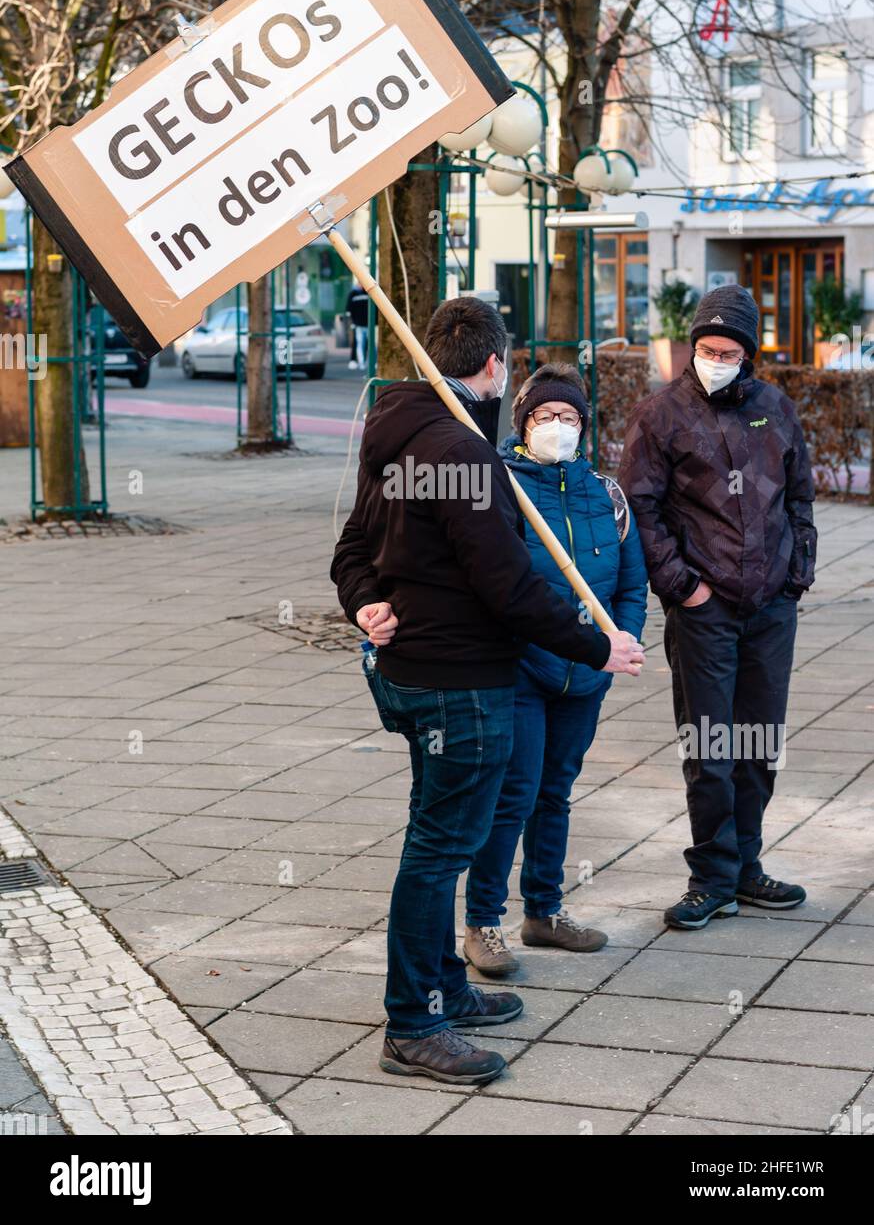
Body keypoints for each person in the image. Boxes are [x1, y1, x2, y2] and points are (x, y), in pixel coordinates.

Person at [331, 297, 645, 1086]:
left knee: (441, 838)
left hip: (411, 673)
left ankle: (443, 986)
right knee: (438, 854)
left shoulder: (395, 434)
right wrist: (595, 644)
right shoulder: (464, 453)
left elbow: (353, 547)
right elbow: (506, 588)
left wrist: (364, 596)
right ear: (496, 367)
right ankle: (413, 1022)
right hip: (459, 683)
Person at [619, 284, 816, 931]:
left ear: (748, 355)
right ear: (692, 345)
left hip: (770, 608)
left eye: (730, 350)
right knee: (710, 746)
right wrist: (683, 587)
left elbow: (800, 497)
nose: (716, 358)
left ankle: (746, 867)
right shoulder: (660, 416)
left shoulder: (775, 409)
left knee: (758, 743)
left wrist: (795, 576)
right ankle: (711, 877)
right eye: (707, 348)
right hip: (703, 611)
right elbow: (640, 509)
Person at [464, 364, 648, 975]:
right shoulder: (504, 486)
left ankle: (543, 911)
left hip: (588, 675)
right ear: (523, 424)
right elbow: (499, 583)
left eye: (569, 418)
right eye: (545, 417)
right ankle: (483, 922)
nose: (558, 427)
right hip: (526, 667)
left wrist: (623, 640)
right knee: (512, 794)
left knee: (555, 793)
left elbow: (631, 581)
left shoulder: (607, 493)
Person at [345, 284, 369, 369]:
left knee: (367, 344)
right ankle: (359, 362)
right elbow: (348, 309)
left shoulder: (368, 293)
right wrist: (352, 323)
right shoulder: (353, 294)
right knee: (359, 343)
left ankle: (365, 361)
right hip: (358, 325)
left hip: (368, 325)